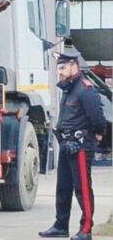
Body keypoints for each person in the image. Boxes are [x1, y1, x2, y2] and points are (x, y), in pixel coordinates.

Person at [39, 48, 107, 240]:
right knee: (63, 187)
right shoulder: (69, 88)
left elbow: (98, 119)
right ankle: (61, 225)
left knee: (82, 189)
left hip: (80, 146)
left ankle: (86, 229)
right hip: (66, 145)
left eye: (62, 67)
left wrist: (97, 135)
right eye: (58, 67)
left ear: (74, 66)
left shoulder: (85, 90)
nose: (59, 71)